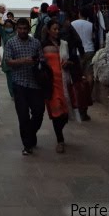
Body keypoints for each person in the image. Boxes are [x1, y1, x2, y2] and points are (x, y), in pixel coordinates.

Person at [4, 17, 45, 156]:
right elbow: (8, 61)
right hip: (19, 82)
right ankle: (27, 144)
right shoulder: (11, 43)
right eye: (20, 29)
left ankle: (31, 133)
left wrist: (36, 62)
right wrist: (22, 61)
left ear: (28, 29)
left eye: (24, 29)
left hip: (34, 83)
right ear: (17, 29)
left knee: (39, 112)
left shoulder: (36, 43)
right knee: (23, 116)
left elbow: (42, 60)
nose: (22, 31)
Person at [42, 19, 72, 153]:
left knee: (65, 114)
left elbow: (73, 60)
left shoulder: (64, 44)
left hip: (64, 81)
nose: (57, 31)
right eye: (54, 29)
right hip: (50, 83)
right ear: (48, 30)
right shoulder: (43, 46)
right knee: (56, 112)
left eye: (58, 29)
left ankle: (60, 134)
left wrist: (68, 63)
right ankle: (60, 140)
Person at [0, 16, 16, 100]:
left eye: (10, 26)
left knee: (17, 77)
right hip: (7, 58)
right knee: (9, 78)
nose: (8, 28)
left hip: (16, 57)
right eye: (7, 26)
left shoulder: (16, 33)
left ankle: (17, 92)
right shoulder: (4, 33)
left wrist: (15, 23)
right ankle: (12, 94)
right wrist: (2, 22)